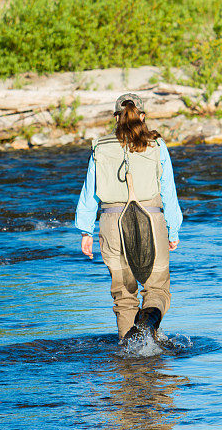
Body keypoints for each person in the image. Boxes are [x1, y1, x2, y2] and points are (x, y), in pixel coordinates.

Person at [75, 93, 183, 342]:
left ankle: (129, 353)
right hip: (152, 221)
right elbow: (168, 190)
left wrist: (85, 231)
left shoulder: (99, 147)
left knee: (123, 296)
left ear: (116, 117)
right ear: (142, 116)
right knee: (157, 288)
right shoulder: (156, 145)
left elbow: (88, 191)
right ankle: (147, 324)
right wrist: (173, 230)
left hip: (111, 223)